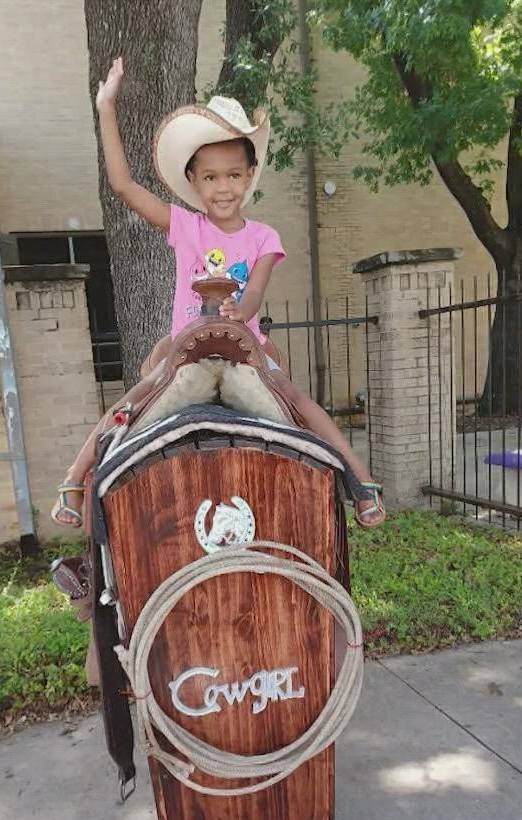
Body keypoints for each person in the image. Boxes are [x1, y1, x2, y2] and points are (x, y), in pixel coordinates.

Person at [49, 56, 385, 533]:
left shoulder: (264, 237)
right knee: (135, 399)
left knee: (295, 396)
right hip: (189, 348)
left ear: (249, 176)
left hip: (240, 346)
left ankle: (359, 479)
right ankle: (75, 480)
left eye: (232, 174)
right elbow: (123, 186)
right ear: (194, 182)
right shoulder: (185, 226)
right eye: (210, 177)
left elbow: (254, 300)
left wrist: (235, 311)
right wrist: (106, 106)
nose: (222, 187)